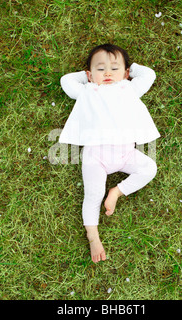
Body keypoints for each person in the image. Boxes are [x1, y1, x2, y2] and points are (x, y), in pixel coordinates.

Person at [59, 44, 160, 263]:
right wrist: (87, 78)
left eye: (114, 68)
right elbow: (66, 81)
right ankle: (93, 236)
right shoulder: (87, 91)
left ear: (124, 74)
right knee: (93, 196)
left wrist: (130, 70)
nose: (106, 73)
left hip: (126, 154)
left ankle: (117, 192)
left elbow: (149, 74)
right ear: (89, 74)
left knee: (150, 168)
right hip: (96, 157)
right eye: (99, 68)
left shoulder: (128, 88)